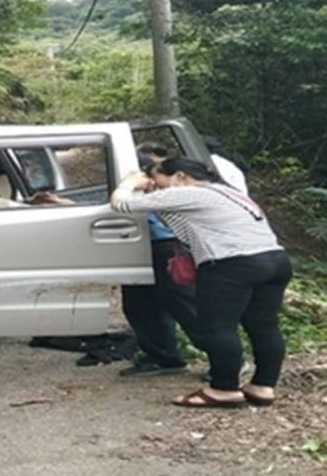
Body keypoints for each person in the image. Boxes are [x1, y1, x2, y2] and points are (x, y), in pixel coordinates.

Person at [111, 157, 293, 408]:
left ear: (180, 177)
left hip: (232, 264)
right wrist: (157, 192)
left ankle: (223, 388)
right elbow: (180, 223)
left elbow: (122, 204)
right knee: (264, 326)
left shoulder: (188, 192)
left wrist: (130, 182)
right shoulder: (227, 191)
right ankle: (263, 386)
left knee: (217, 327)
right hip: (274, 260)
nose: (157, 188)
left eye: (159, 182)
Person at [117, 143, 204, 377]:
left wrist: (131, 185)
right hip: (138, 244)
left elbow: (121, 203)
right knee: (140, 304)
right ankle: (163, 357)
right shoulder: (143, 190)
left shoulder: (174, 192)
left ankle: (227, 359)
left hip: (168, 246)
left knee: (185, 305)